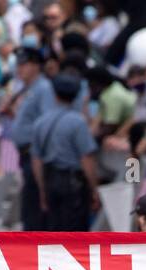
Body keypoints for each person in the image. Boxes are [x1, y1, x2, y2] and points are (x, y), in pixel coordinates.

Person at [31, 74, 100, 232]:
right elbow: (87, 158)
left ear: (54, 94)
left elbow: (36, 160)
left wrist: (42, 190)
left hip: (50, 178)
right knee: (75, 230)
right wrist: (94, 189)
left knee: (54, 228)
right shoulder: (78, 122)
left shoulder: (41, 121)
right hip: (73, 182)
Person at [5, 46, 52, 229]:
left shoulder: (43, 88)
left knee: (33, 204)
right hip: (26, 153)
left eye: (24, 64)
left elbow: (45, 123)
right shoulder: (28, 89)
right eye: (18, 65)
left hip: (35, 153)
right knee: (29, 202)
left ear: (35, 66)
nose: (19, 69)